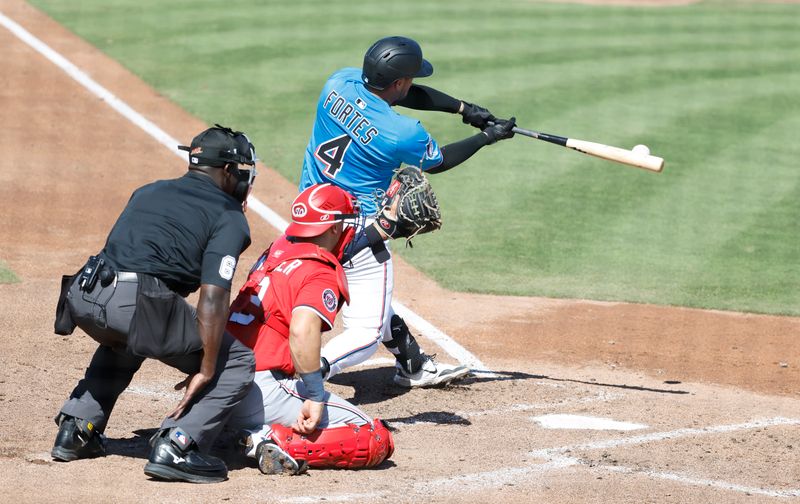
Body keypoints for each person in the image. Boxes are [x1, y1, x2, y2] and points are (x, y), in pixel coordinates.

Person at [299, 35, 516, 387]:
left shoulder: (338, 83)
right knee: (366, 331)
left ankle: (413, 365)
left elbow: (399, 93)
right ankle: (308, 375)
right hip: (360, 229)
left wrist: (463, 109)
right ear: (399, 81)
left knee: (373, 299)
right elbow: (438, 161)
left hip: (309, 211)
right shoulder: (403, 133)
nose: (412, 84)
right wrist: (486, 137)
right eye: (410, 78)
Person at [51, 125, 259, 483]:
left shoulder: (148, 191)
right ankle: (179, 446)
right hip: (132, 303)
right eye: (240, 171)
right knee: (236, 360)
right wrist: (207, 368)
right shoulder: (229, 217)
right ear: (226, 171)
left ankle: (76, 427)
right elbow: (213, 297)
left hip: (84, 296)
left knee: (135, 329)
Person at [225, 183, 393, 474]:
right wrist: (315, 396)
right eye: (343, 222)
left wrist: (387, 226)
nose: (347, 228)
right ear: (330, 229)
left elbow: (335, 245)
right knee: (372, 436)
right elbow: (302, 331)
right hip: (259, 388)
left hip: (218, 380)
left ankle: (225, 425)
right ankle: (265, 438)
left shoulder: (279, 247)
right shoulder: (319, 271)